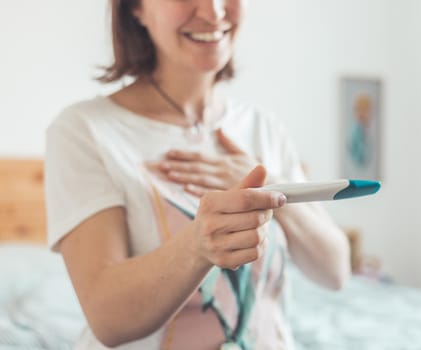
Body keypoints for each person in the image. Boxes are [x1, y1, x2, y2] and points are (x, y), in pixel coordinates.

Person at [45, 0, 349, 349]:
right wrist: (198, 245)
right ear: (134, 9)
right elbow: (108, 320)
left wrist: (271, 189)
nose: (214, 11)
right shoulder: (85, 131)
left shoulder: (263, 128)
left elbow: (336, 270)